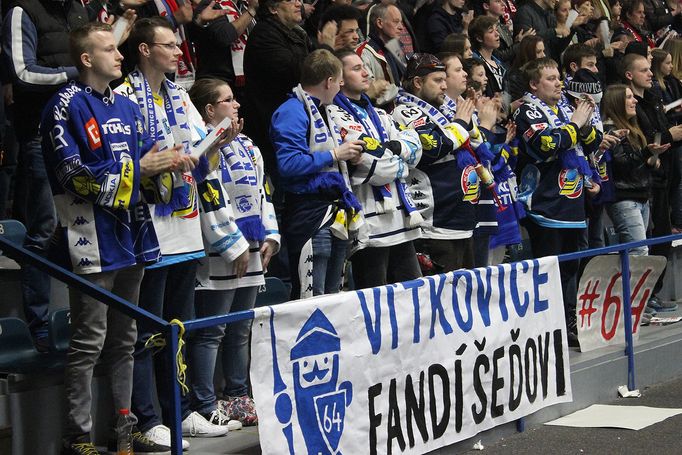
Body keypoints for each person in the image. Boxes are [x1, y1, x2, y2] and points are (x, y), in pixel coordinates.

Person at [41, 22, 188, 455]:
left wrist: (167, 169)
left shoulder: (126, 107)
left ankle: (123, 431)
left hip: (134, 234)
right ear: (87, 59)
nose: (120, 55)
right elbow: (74, 176)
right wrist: (142, 170)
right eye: (109, 49)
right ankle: (78, 436)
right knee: (89, 340)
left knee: (126, 340)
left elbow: (148, 169)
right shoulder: (62, 105)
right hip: (89, 236)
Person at [115, 16, 239, 447]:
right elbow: (129, 161)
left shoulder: (182, 98)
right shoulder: (123, 97)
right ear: (146, 50)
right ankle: (148, 421)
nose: (178, 52)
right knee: (147, 333)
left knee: (178, 328)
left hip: (185, 227)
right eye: (169, 45)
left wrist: (215, 146)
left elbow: (202, 157)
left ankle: (181, 412)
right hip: (149, 229)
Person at [188, 78, 280, 427]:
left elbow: (262, 193)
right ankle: (204, 401)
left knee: (241, 327)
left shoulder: (248, 146)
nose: (237, 105)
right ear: (210, 110)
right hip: (219, 250)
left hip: (252, 249)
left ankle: (237, 395)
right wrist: (232, 245)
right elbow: (211, 198)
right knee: (212, 331)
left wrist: (270, 236)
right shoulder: (202, 148)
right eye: (227, 100)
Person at [1, 0, 89, 351]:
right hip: (40, 134)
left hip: (83, 134)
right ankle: (39, 328)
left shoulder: (78, 9)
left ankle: (79, 321)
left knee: (82, 228)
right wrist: (74, 73)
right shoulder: (23, 10)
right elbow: (22, 72)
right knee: (44, 232)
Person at [513, 57, 602, 344]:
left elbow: (591, 141)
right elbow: (546, 144)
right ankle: (545, 328)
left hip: (573, 203)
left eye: (559, 78)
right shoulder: (527, 111)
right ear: (534, 84)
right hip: (545, 204)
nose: (559, 83)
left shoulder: (565, 110)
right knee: (547, 271)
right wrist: (575, 126)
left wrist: (578, 126)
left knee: (569, 269)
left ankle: (568, 320)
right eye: (550, 78)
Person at [271, 49, 363, 299]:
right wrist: (334, 154)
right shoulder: (291, 110)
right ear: (329, 81)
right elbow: (288, 164)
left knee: (336, 295)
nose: (341, 87)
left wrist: (347, 157)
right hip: (309, 214)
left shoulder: (326, 110)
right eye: (339, 80)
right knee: (313, 296)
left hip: (335, 211)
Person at [327, 49, 423, 288]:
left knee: (415, 296)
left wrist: (392, 154)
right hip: (370, 224)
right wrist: (402, 164)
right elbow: (371, 164)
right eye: (356, 68)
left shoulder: (380, 113)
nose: (366, 72)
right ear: (339, 78)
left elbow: (415, 146)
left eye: (364, 66)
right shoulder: (334, 113)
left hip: (402, 220)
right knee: (375, 299)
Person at [392, 53, 480, 272]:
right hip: (436, 226)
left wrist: (463, 127)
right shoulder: (404, 111)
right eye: (437, 80)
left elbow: (476, 141)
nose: (444, 86)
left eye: (444, 79)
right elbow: (433, 147)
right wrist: (460, 124)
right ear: (418, 83)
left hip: (463, 220)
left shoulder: (444, 110)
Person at [622, 52, 682, 312]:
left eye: (650, 69)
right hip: (644, 182)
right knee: (645, 244)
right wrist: (670, 134)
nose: (650, 74)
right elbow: (644, 140)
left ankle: (651, 294)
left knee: (662, 243)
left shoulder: (654, 98)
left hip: (663, 176)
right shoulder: (630, 103)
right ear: (629, 75)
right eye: (644, 70)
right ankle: (639, 300)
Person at [242, 0, 314, 187]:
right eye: (291, 0)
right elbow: (303, 73)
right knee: (285, 190)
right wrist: (327, 45)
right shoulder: (264, 35)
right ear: (273, 8)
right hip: (272, 129)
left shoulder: (297, 33)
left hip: (296, 123)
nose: (299, 3)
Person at [601, 84, 661, 256]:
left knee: (639, 253)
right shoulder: (610, 130)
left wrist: (650, 161)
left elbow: (633, 166)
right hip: (625, 200)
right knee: (639, 254)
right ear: (616, 102)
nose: (634, 100)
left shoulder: (632, 129)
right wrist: (646, 153)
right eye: (628, 97)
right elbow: (621, 164)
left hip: (641, 197)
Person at [357, 3, 406, 92]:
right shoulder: (364, 52)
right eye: (395, 22)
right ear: (380, 23)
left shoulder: (397, 48)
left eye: (401, 22)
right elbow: (367, 93)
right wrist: (401, 93)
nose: (401, 27)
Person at [470, 15, 507, 97]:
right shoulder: (475, 65)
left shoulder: (500, 64)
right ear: (479, 38)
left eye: (496, 30)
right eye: (491, 31)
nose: (497, 34)